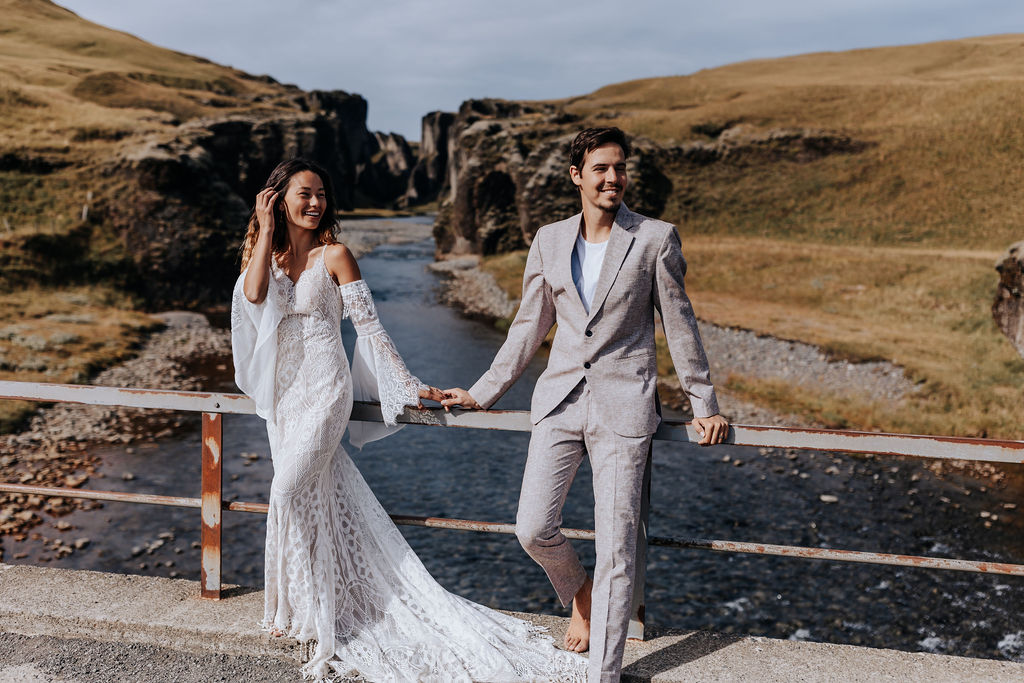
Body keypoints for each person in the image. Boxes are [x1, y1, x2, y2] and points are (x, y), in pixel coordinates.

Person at [231, 158, 586, 682]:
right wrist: (263, 233)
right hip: (284, 396)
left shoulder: (337, 254)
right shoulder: (271, 254)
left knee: (285, 491)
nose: (315, 203)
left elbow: (370, 329)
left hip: (327, 391)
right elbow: (255, 296)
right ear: (277, 198)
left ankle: (316, 609)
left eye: (322, 194)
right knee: (311, 495)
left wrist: (407, 384)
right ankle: (305, 609)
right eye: (304, 193)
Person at [443, 127, 729, 683]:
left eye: (620, 167)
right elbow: (529, 325)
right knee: (532, 527)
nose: (613, 178)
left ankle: (604, 674)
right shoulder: (550, 240)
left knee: (619, 552)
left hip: (624, 408)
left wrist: (703, 403)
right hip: (559, 402)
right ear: (577, 175)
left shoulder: (654, 238)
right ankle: (580, 591)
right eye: (601, 168)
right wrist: (482, 391)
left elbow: (680, 323)